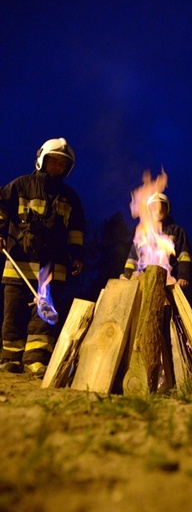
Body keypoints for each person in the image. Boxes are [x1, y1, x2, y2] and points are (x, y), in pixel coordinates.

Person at [0, 137, 85, 377]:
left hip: (52, 269)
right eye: (53, 162)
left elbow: (77, 230)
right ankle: (10, 358)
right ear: (41, 161)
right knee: (14, 313)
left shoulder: (71, 198)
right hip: (18, 265)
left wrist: (77, 254)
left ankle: (36, 360)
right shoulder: (19, 186)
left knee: (44, 318)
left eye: (62, 164)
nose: (57, 167)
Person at [122, 192, 192, 287]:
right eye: (154, 208)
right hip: (144, 282)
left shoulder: (176, 231)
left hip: (170, 282)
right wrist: (127, 276)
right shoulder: (142, 233)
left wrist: (183, 276)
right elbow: (132, 260)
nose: (158, 211)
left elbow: (184, 256)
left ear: (167, 210)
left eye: (161, 208)